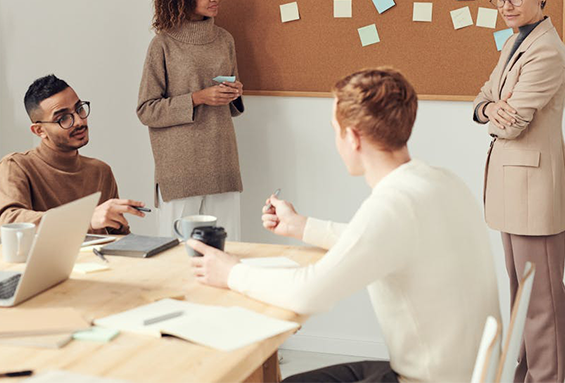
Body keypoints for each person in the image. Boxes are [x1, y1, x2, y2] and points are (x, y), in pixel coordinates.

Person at [189, 68, 499, 383]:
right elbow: (377, 242)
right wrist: (301, 226)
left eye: (335, 129)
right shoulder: (441, 181)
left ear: (352, 136)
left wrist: (231, 273)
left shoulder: (393, 205)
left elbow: (307, 293)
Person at [473, 0, 565, 383]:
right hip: (511, 187)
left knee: (542, 300)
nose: (506, 6)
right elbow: (482, 99)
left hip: (534, 190)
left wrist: (494, 111)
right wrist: (491, 107)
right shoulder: (514, 42)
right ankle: (527, 375)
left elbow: (515, 125)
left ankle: (548, 377)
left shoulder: (546, 51)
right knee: (522, 297)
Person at [137, 0, 245, 240]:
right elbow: (147, 110)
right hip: (180, 170)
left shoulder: (224, 40)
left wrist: (233, 94)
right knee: (176, 255)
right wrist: (198, 98)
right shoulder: (163, 43)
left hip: (222, 161)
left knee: (227, 250)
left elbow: (228, 106)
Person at [0, 74, 145, 235]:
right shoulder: (16, 166)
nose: (79, 121)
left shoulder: (101, 171)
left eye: (79, 109)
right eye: (64, 118)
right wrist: (84, 219)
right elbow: (8, 222)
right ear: (39, 130)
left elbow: (120, 240)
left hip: (98, 260)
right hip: (46, 261)